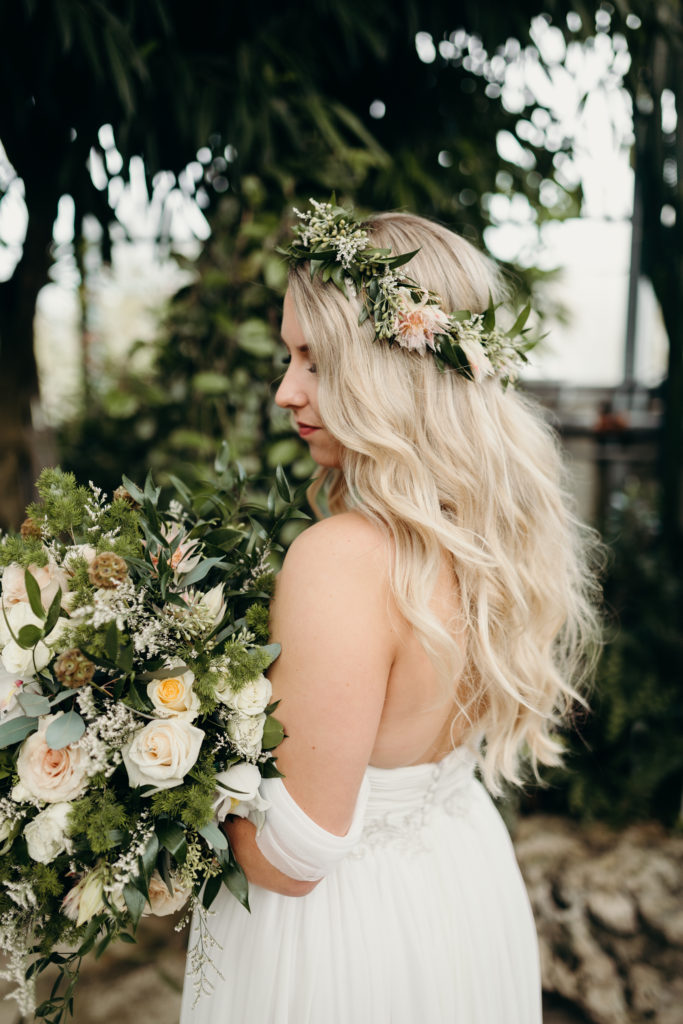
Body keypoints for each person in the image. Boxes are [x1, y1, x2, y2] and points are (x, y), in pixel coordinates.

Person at [180, 200, 600, 1023]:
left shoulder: (341, 557)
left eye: (312, 360)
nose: (283, 390)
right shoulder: (484, 532)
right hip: (457, 887)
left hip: (343, 939)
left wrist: (156, 773)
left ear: (386, 367)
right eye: (286, 357)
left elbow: (293, 854)